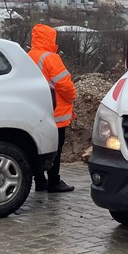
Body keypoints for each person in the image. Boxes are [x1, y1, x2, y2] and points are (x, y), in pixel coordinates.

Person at [28, 24, 77, 192]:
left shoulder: (29, 55)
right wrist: (72, 96)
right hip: (56, 113)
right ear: (50, 39)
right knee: (54, 150)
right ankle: (54, 182)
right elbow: (64, 85)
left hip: (35, 111)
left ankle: (40, 181)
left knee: (37, 148)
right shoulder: (51, 58)